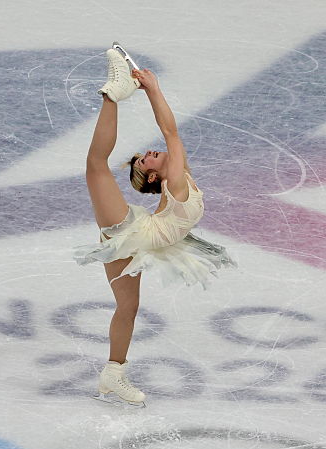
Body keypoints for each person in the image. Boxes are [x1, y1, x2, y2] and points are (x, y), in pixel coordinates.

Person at [74, 43, 235, 408]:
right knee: (96, 166)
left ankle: (113, 374)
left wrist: (151, 91)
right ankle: (111, 93)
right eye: (149, 156)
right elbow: (171, 133)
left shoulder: (182, 179)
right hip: (132, 234)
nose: (153, 150)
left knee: (127, 309)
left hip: (140, 245)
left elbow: (172, 138)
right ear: (153, 173)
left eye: (151, 152)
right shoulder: (176, 182)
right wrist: (153, 89)